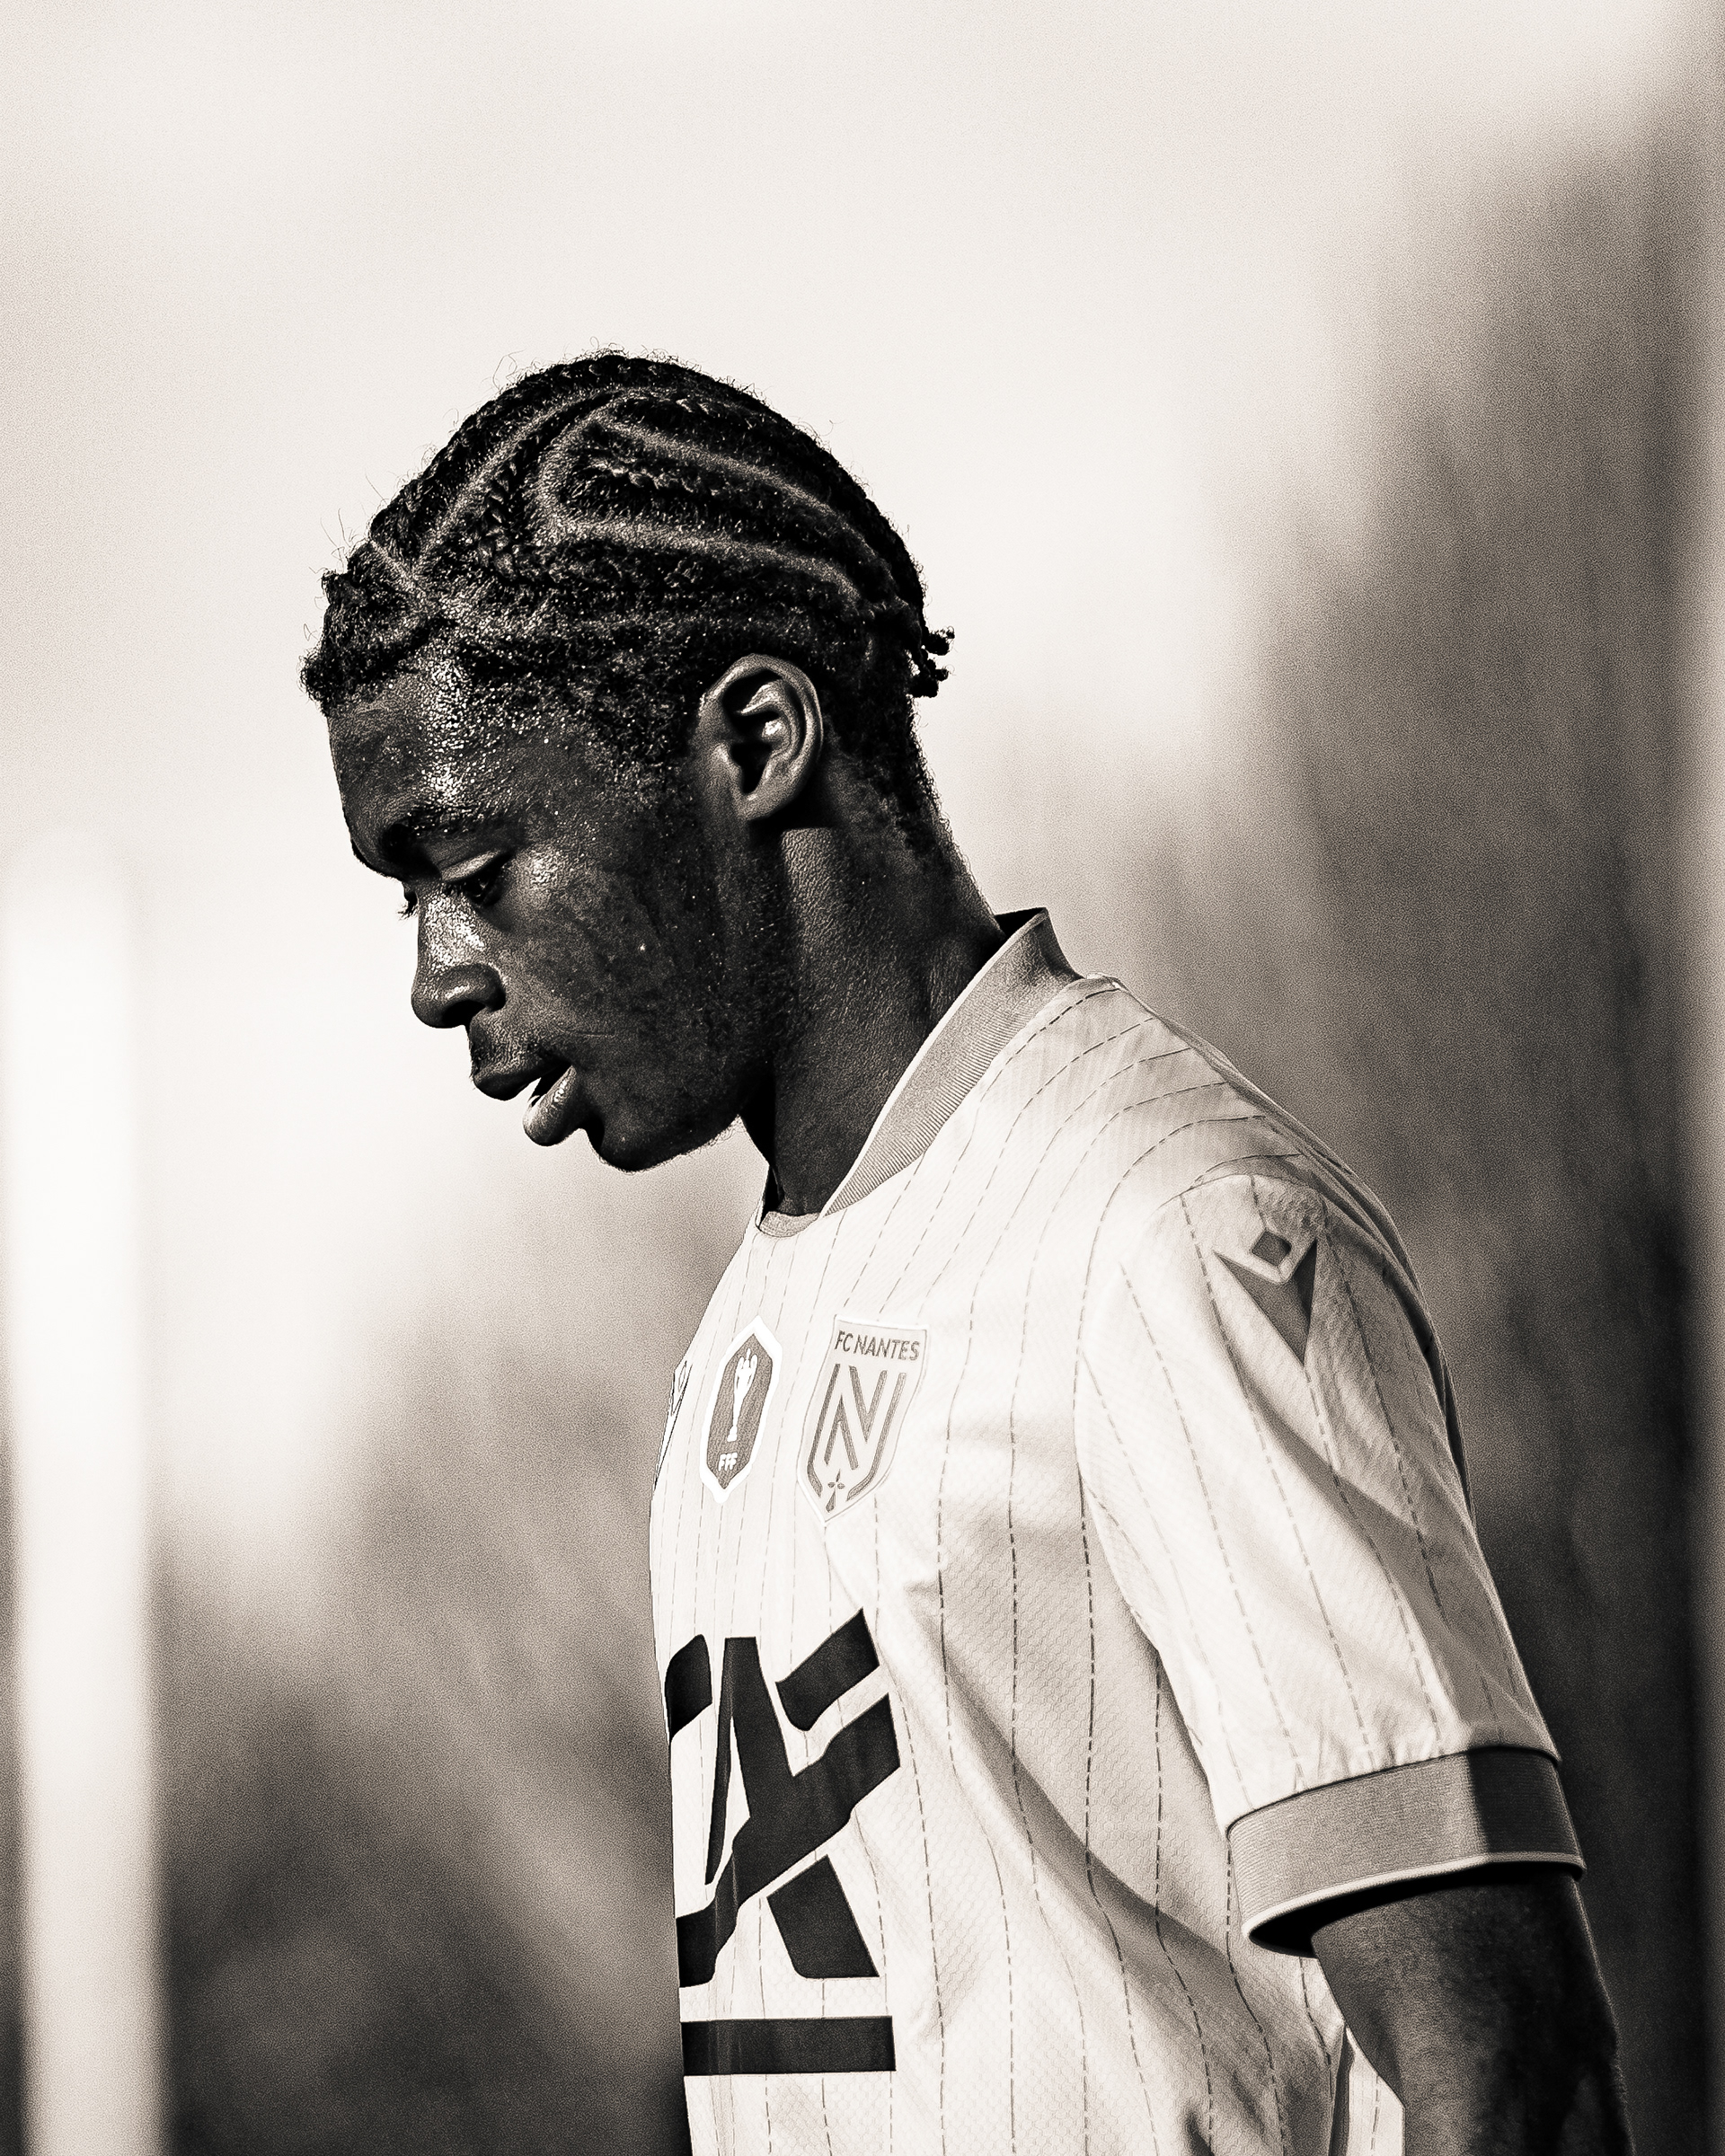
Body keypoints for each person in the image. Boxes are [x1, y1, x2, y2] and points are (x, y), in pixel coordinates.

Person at [307, 354, 1633, 2155]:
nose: (433, 972)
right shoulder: (748, 1335)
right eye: (404, 893)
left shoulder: (1165, 1229)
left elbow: (1518, 2073)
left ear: (754, 740)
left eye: (473, 865)